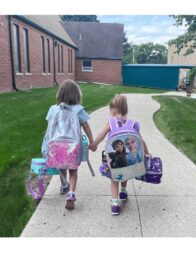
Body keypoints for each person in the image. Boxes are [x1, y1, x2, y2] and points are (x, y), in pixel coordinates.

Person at [90, 94, 150, 215]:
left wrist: (94, 144)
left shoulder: (111, 122)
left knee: (114, 178)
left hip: (115, 163)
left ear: (112, 109)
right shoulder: (133, 123)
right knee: (126, 171)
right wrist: (147, 153)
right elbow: (141, 140)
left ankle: (115, 204)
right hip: (129, 161)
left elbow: (101, 134)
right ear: (125, 109)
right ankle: (123, 191)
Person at [44, 79, 94, 210]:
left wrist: (46, 145)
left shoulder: (53, 109)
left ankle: (63, 186)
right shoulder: (78, 110)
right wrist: (92, 141)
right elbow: (86, 126)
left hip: (56, 145)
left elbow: (49, 128)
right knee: (73, 170)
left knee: (61, 167)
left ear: (59, 94)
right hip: (72, 146)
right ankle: (71, 194)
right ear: (76, 95)